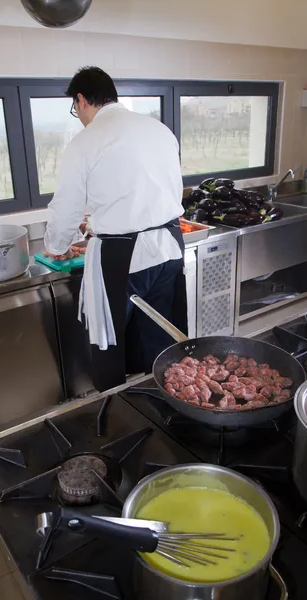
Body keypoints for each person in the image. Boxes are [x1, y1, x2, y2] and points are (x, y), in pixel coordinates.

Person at [44, 66, 186, 392]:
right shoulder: (158, 129)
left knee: (108, 345)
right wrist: (96, 226)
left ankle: (117, 415)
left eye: (74, 108)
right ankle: (165, 406)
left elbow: (65, 209)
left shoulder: (86, 142)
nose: (77, 114)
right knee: (160, 341)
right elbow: (150, 190)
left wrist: (56, 244)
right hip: (168, 250)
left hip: (123, 260)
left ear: (81, 100)